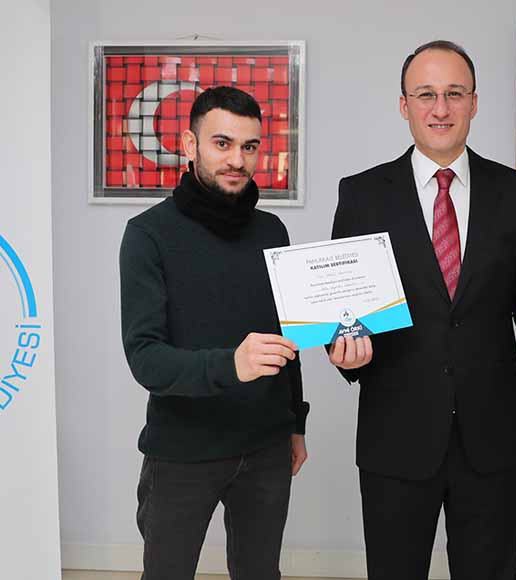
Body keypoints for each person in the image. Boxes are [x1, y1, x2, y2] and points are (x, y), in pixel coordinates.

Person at [327, 40, 516, 580]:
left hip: (490, 436)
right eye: (426, 94)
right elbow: (341, 310)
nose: (440, 108)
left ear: (474, 102)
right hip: (395, 435)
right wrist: (343, 351)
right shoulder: (361, 194)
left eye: (454, 94)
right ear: (405, 105)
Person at [119, 86, 309, 580]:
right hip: (182, 449)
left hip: (267, 447)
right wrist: (231, 363)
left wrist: (296, 422)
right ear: (189, 145)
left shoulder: (273, 232)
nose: (237, 160)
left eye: (249, 146)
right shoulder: (147, 234)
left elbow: (286, 338)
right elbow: (145, 358)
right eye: (222, 143)